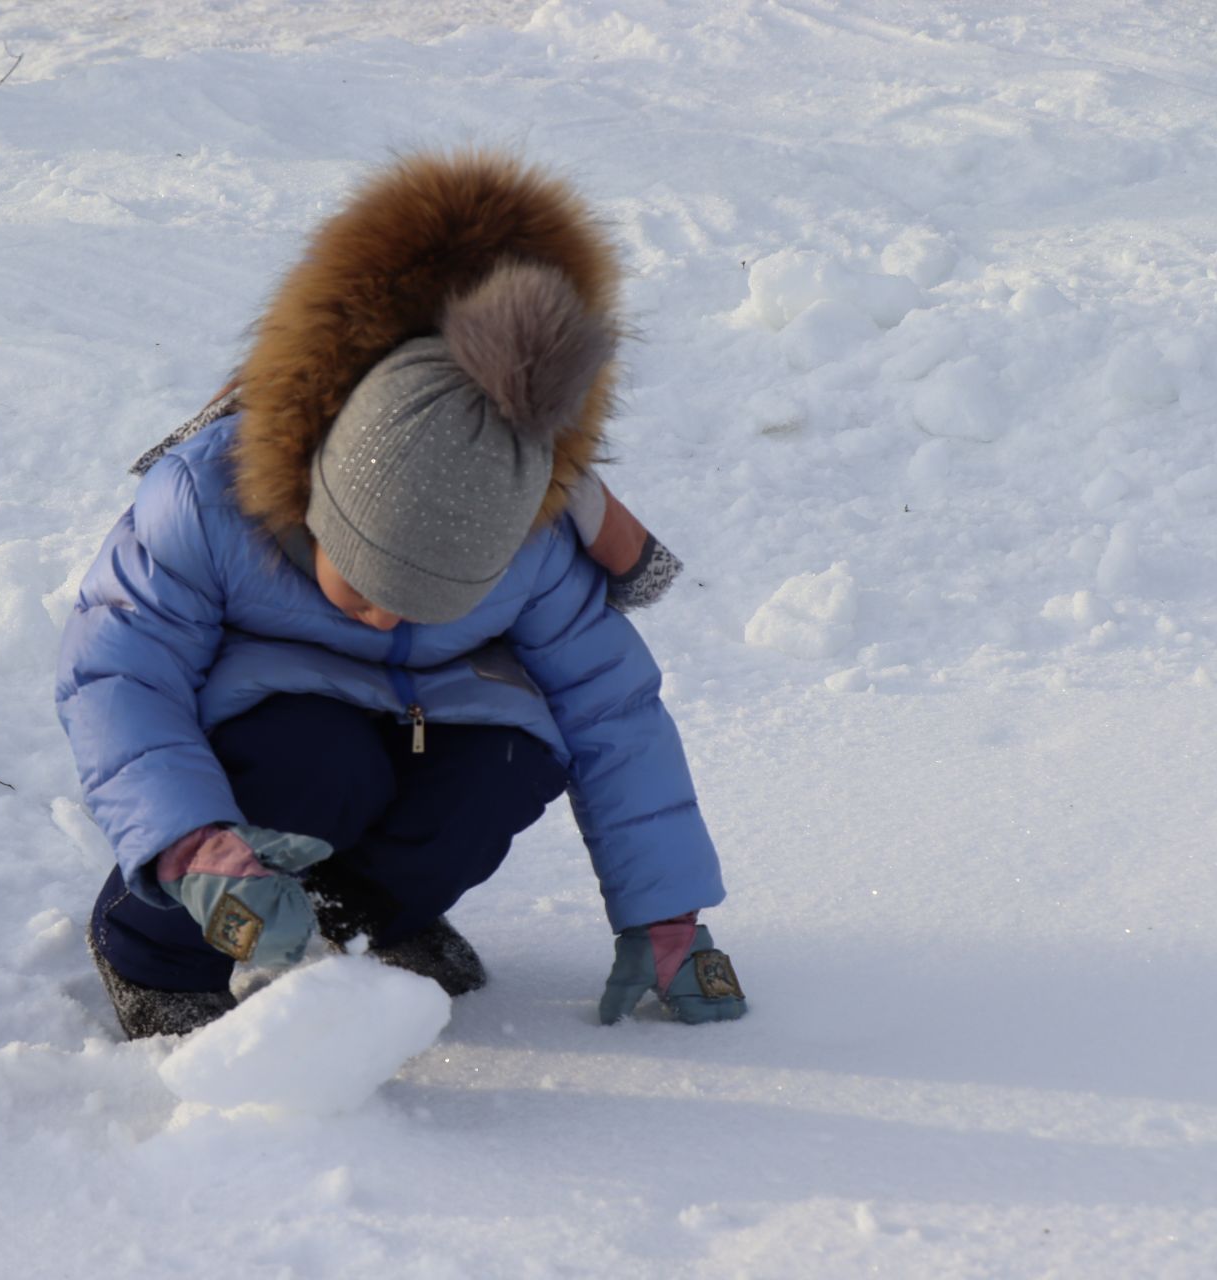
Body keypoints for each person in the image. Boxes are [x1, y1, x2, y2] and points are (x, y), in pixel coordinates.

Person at [56, 150, 746, 1039]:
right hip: (273, 735)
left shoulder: (536, 544)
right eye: (369, 587)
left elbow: (614, 714)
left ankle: (353, 928)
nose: (387, 620)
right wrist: (194, 842)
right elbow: (118, 676)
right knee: (320, 763)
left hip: (432, 714)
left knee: (507, 764)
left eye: (434, 600)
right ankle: (156, 950)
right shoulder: (209, 504)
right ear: (319, 502)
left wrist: (666, 915)